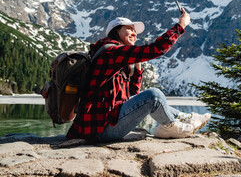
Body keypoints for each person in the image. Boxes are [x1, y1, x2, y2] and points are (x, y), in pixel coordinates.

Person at [66, 8, 211, 142]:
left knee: (149, 97)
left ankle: (182, 117)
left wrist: (137, 64)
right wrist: (181, 25)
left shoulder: (113, 55)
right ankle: (169, 127)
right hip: (99, 130)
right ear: (116, 31)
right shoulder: (111, 51)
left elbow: (132, 95)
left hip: (101, 126)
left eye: (134, 31)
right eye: (129, 29)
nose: (134, 33)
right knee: (154, 95)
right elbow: (157, 49)